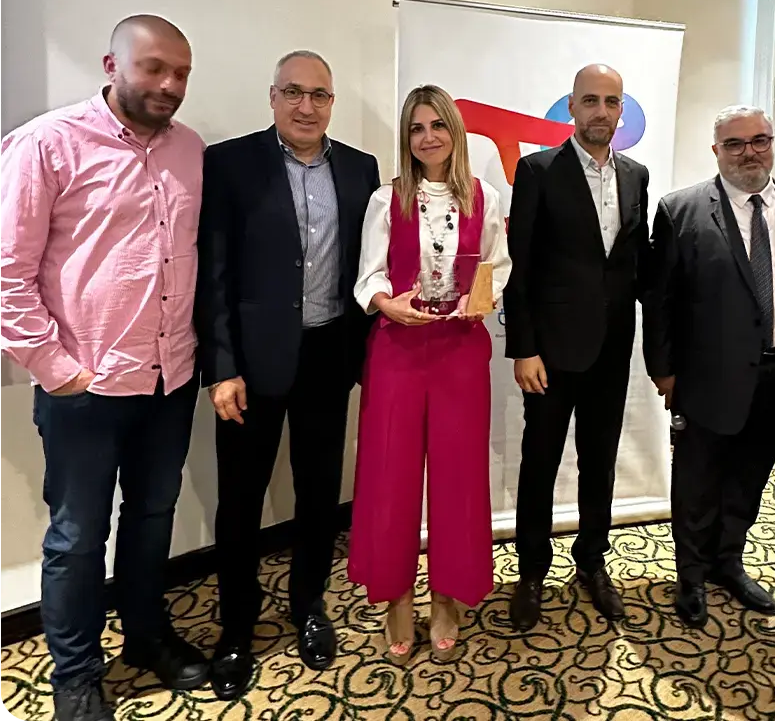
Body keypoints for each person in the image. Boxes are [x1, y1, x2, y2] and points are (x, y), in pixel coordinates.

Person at [0, 15, 208, 721]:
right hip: (85, 388)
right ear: (112, 65)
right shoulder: (46, 143)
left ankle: (146, 636)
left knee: (152, 519)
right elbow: (8, 274)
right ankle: (77, 674)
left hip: (170, 378)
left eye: (181, 73)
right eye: (154, 68)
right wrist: (56, 368)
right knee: (77, 538)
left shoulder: (190, 149)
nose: (170, 84)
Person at [193, 50, 380, 699]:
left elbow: (366, 266)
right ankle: (236, 628)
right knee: (241, 501)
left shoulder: (359, 168)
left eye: (319, 95)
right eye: (293, 93)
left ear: (333, 102)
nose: (306, 106)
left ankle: (309, 604)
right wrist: (221, 367)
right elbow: (213, 272)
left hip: (329, 357)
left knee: (320, 491)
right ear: (272, 97)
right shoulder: (229, 163)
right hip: (250, 367)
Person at [348, 84, 511, 664]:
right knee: (390, 475)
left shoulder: (485, 198)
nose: (428, 137)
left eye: (437, 125)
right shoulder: (385, 199)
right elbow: (369, 274)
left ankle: (446, 597)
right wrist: (385, 304)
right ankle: (396, 598)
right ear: (406, 138)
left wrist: (478, 300)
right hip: (397, 350)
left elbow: (497, 267)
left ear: (455, 132)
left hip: (459, 353)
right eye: (416, 128)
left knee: (458, 477)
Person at [644, 105, 775, 628]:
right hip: (706, 375)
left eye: (760, 140)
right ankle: (691, 575)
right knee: (698, 479)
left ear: (772, 142)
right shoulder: (682, 209)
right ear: (716, 151)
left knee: (750, 475)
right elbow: (660, 299)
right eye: (735, 144)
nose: (749, 153)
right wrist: (663, 370)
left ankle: (727, 562)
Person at [503, 64, 653, 631]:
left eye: (611, 102)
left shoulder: (636, 175)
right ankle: (531, 573)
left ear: (621, 111)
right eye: (590, 100)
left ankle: (592, 560)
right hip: (550, 354)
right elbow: (520, 267)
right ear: (571, 107)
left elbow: (634, 262)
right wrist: (524, 348)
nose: (601, 112)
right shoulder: (538, 171)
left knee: (600, 462)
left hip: (612, 350)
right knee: (540, 463)